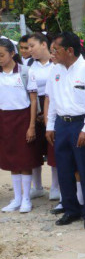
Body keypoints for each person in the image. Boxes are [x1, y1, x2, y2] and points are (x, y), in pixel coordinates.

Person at [44, 32, 85, 229]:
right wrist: (50, 125)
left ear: (69, 50)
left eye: (55, 50)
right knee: (64, 170)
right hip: (61, 124)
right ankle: (71, 209)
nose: (52, 54)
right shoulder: (55, 70)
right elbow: (52, 100)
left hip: (81, 124)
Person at [0, 38, 40, 213]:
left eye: (2, 55)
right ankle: (16, 198)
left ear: (12, 54)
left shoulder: (25, 72)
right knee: (11, 159)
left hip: (23, 117)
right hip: (4, 118)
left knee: (25, 159)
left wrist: (31, 125)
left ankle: (26, 198)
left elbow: (33, 100)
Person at [25, 32, 57, 203]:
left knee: (53, 148)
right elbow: (30, 94)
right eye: (28, 47)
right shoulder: (29, 66)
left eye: (32, 46)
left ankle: (55, 187)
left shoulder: (56, 63)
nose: (30, 50)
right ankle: (37, 186)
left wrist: (47, 113)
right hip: (34, 108)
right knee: (35, 149)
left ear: (44, 44)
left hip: (53, 107)